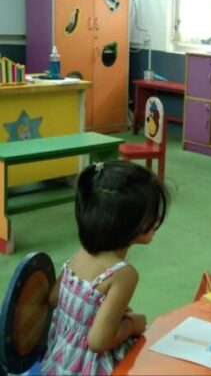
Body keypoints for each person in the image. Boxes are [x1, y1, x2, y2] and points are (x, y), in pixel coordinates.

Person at [41, 160, 170, 375]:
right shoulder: (123, 274)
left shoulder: (82, 251)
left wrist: (90, 313)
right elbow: (98, 342)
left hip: (57, 363)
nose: (156, 219)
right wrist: (133, 324)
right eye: (149, 213)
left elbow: (54, 298)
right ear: (125, 222)